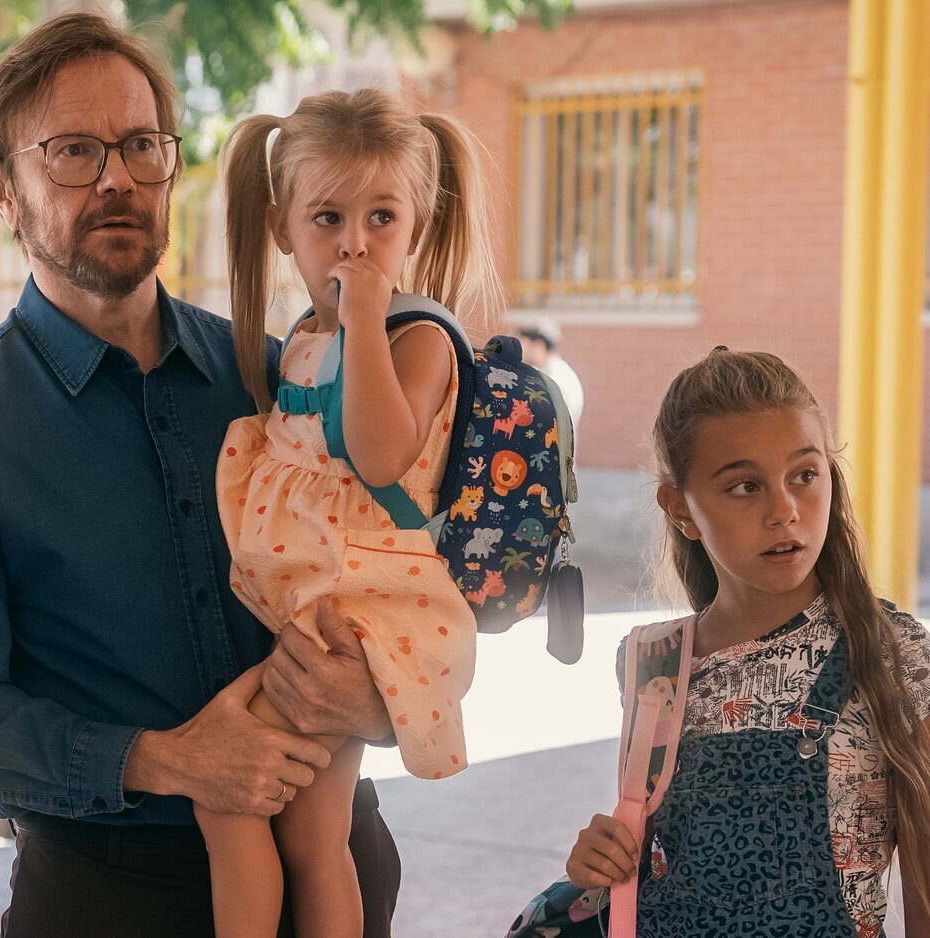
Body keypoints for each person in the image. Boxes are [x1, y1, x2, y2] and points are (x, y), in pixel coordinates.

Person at [0, 13, 402, 937]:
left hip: (333, 867)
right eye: (74, 151)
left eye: (141, 146)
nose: (118, 177)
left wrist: (382, 698)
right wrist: (162, 759)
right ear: (2, 187)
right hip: (108, 892)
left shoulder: (277, 375)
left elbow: (399, 565)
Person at [205, 89, 498, 937]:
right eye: (327, 217)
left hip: (359, 607)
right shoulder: (302, 333)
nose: (355, 242)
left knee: (229, 809)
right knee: (311, 830)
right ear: (281, 227)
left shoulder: (417, 339)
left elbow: (380, 456)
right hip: (316, 602)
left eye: (382, 217)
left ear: (418, 226)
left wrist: (366, 320)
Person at [556, 349, 930, 935]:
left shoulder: (894, 653)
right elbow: (654, 857)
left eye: (804, 476)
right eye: (744, 486)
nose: (784, 511)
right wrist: (603, 858)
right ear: (680, 508)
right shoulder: (651, 662)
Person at [519, 319, 583, 427]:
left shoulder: (554, 377)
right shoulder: (562, 372)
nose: (522, 353)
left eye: (525, 345)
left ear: (538, 346)